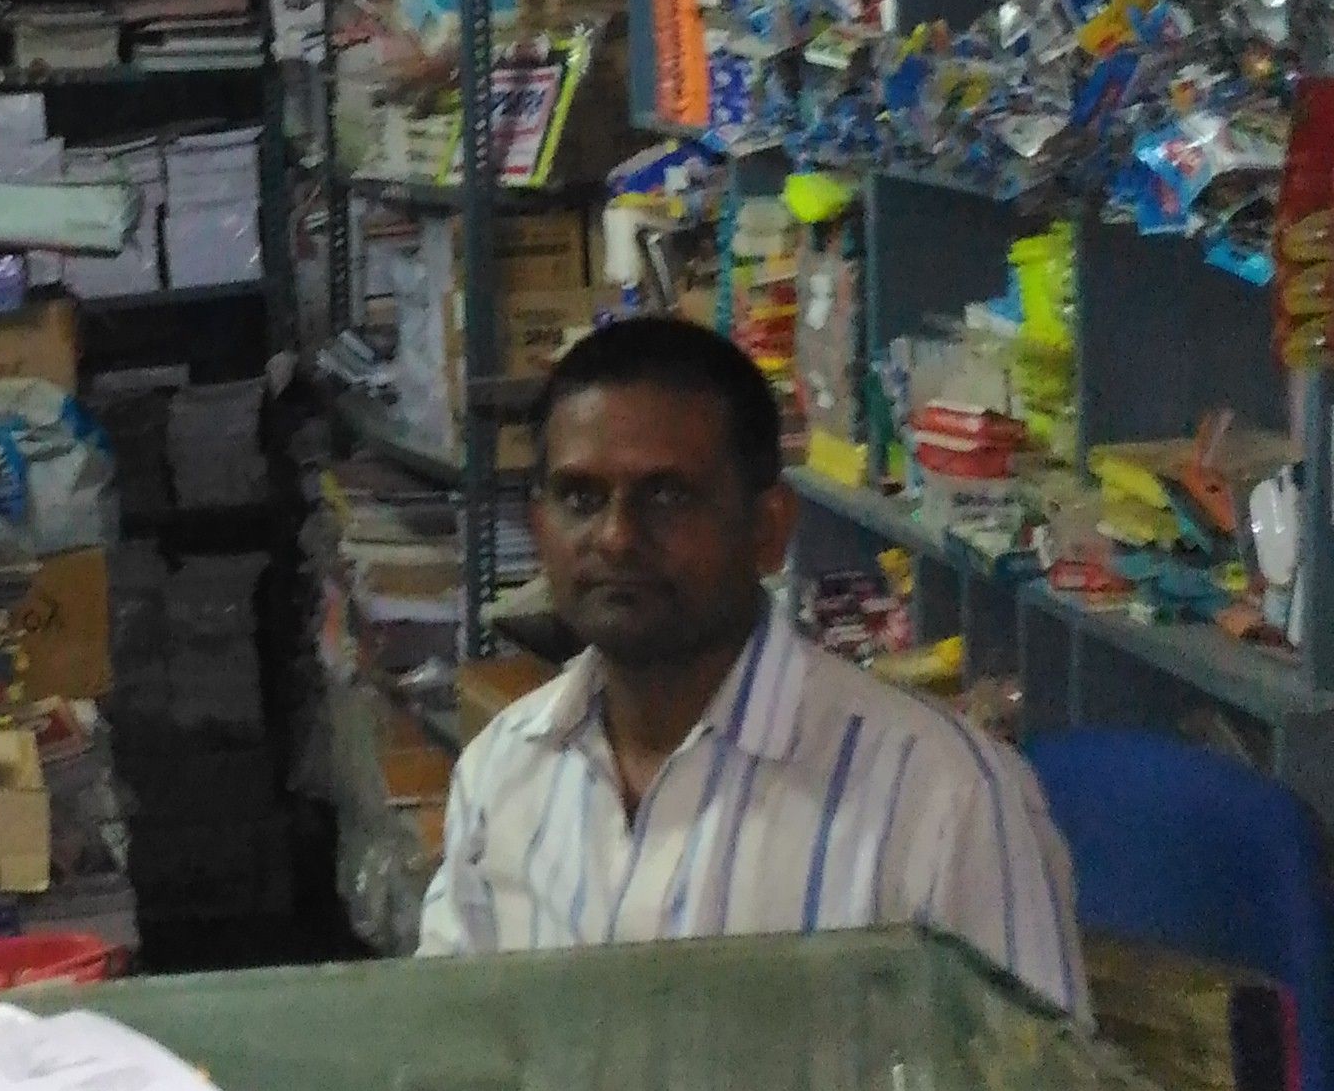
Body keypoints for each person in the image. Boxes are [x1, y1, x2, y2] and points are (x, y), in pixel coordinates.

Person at [419, 312, 1085, 1012]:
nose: (615, 537)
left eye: (667, 496)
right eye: (581, 498)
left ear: (768, 532)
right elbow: (454, 1056)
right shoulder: (502, 772)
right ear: (539, 529)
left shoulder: (944, 798)